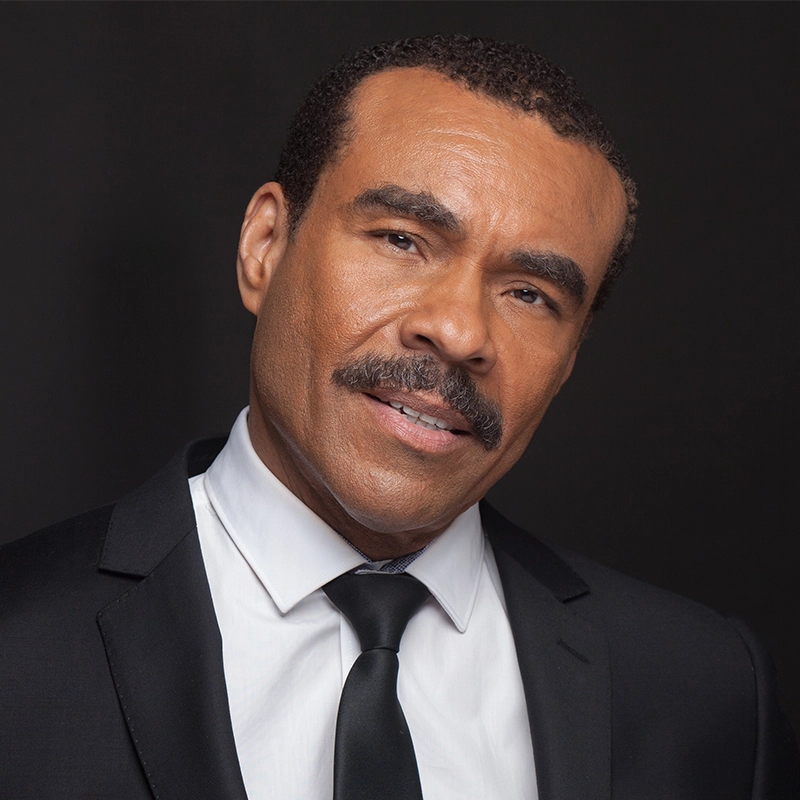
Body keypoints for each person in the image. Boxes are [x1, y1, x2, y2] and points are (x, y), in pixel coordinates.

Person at [1, 34, 797, 800]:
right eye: (403, 240)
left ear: (570, 361)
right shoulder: (19, 648)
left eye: (530, 295)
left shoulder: (706, 691)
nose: (459, 332)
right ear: (265, 246)